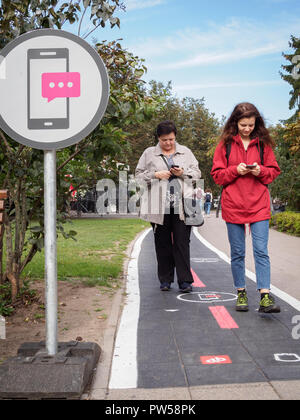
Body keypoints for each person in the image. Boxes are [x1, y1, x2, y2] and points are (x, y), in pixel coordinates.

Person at [211, 102, 281, 313]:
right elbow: (217, 175)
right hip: (233, 205)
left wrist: (260, 170)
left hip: (259, 204)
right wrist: (235, 170)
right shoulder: (225, 145)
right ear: (235, 122)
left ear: (256, 123)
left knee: (261, 251)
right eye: (243, 125)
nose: (247, 129)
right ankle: (241, 293)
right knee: (238, 252)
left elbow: (273, 171)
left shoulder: (263, 145)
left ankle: (265, 297)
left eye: (251, 125)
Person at [135, 121, 201, 292]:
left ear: (175, 137)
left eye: (171, 139)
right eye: (164, 140)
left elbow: (197, 174)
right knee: (162, 244)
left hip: (182, 207)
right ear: (158, 138)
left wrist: (182, 173)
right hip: (158, 207)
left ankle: (185, 281)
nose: (168, 143)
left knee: (182, 243)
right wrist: (155, 175)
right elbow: (138, 177)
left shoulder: (186, 152)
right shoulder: (149, 153)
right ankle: (165, 280)